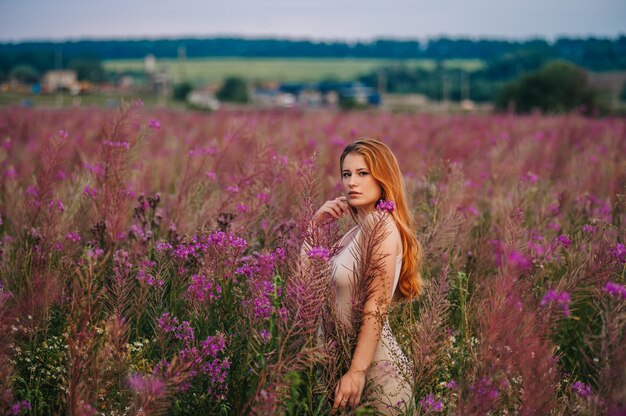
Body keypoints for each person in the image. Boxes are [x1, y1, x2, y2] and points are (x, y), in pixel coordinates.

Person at [310, 138, 424, 414]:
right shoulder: (356, 232)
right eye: (346, 175)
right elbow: (304, 284)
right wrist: (315, 225)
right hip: (340, 367)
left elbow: (376, 305)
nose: (352, 183)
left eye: (363, 174)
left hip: (374, 376)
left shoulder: (382, 227)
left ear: (383, 178)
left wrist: (357, 373)